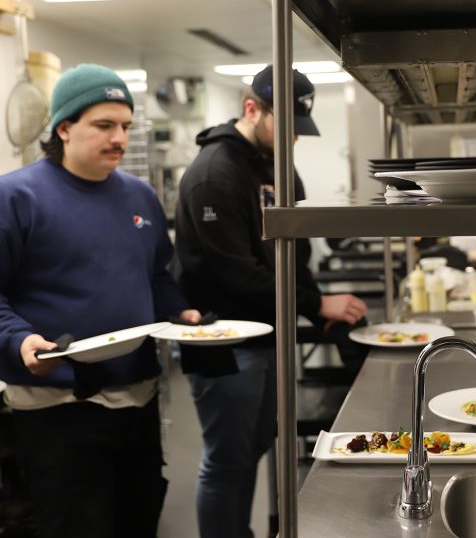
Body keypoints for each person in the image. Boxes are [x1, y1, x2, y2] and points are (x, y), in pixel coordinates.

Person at [0, 63, 201, 538]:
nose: (119, 139)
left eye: (125, 127)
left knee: (139, 515)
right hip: (58, 406)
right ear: (64, 128)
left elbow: (155, 276)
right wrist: (19, 339)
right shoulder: (16, 197)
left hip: (136, 396)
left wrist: (181, 313)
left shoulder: (138, 196)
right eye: (104, 125)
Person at [174, 65, 368, 538]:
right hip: (225, 343)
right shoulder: (213, 175)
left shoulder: (277, 167)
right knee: (226, 462)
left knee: (257, 445)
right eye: (288, 127)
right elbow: (236, 275)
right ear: (252, 109)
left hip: (267, 336)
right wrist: (314, 304)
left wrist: (312, 304)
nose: (296, 140)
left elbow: (295, 250)